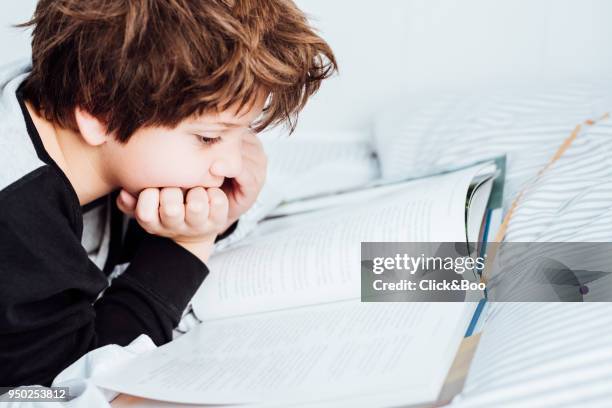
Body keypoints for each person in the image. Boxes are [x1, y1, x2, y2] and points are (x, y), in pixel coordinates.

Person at [0, 0, 336, 387]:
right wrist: (185, 246)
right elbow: (62, 384)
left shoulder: (85, 131)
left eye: (243, 132)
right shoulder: (17, 214)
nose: (232, 162)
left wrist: (217, 218)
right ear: (97, 110)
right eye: (209, 137)